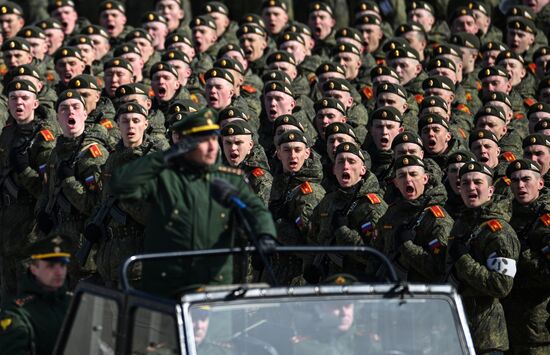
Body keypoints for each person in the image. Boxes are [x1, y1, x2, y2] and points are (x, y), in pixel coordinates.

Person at [110, 108, 276, 297]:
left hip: (215, 286)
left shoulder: (229, 180)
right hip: (170, 288)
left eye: (214, 139)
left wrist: (265, 235)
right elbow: (121, 184)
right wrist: (166, 156)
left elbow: (256, 210)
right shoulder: (166, 178)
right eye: (204, 141)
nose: (213, 147)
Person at [446, 161, 520, 354]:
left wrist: (464, 260)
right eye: (465, 183)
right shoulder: (461, 224)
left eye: (477, 182)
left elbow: (501, 285)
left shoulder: (499, 231)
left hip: (486, 340)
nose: (471, 187)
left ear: (490, 190)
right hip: (456, 333)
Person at [504, 159, 550, 355]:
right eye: (514, 180)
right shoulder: (504, 216)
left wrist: (518, 260)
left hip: (538, 327)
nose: (520, 185)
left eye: (526, 179)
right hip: (506, 324)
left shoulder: (546, 218)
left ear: (540, 183)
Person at [0, 234, 72, 355]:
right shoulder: (16, 314)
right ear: (34, 268)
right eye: (51, 266)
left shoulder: (74, 303)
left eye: (63, 265)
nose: (59, 272)